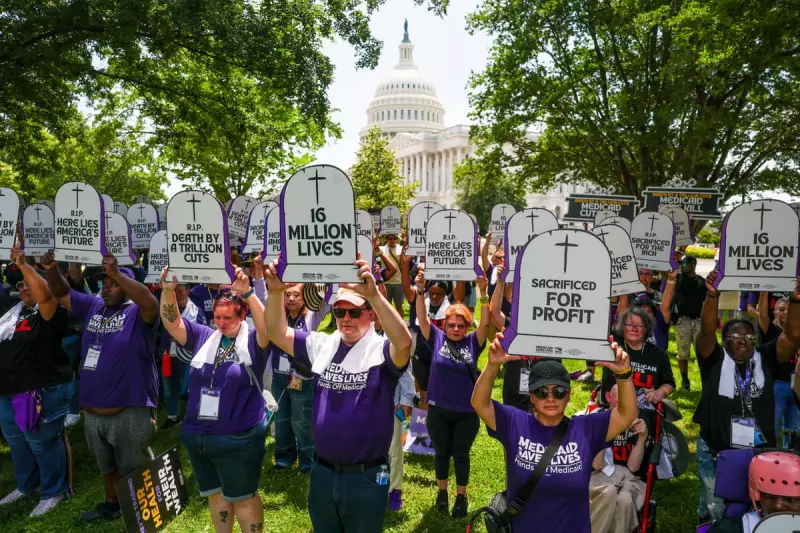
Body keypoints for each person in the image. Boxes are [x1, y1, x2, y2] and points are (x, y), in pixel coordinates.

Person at [265, 257, 411, 533]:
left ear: (370, 314)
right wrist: (274, 293)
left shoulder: (380, 351)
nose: (347, 319)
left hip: (365, 477)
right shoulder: (323, 344)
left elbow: (404, 344)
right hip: (322, 473)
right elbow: (276, 332)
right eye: (340, 312)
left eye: (355, 312)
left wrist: (375, 295)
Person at [472, 334, 638, 533]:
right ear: (531, 397)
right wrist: (492, 365)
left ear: (569, 395)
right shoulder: (515, 423)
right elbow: (479, 403)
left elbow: (626, 414)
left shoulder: (585, 429)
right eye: (542, 392)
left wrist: (624, 375)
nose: (551, 398)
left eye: (559, 391)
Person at [43, 252, 160, 523]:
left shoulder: (138, 312)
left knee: (135, 464)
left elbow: (150, 301)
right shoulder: (94, 306)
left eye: (113, 284)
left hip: (130, 406)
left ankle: (146, 509)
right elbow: (61, 292)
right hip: (94, 410)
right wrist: (50, 269)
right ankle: (112, 504)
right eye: (104, 283)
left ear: (127, 286)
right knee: (108, 466)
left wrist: (118, 273)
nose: (106, 288)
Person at [159, 265, 268, 533]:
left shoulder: (254, 341)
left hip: (237, 437)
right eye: (217, 317)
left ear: (242, 316)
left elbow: (270, 328)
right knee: (215, 494)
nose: (221, 323)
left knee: (243, 496)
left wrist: (251, 293)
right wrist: (167, 292)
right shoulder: (205, 337)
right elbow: (173, 323)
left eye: (228, 318)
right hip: (200, 436)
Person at [693, 271, 800, 522]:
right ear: (724, 340)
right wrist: (712, 295)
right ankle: (706, 520)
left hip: (757, 454)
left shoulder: (766, 359)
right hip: (715, 450)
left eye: (749, 337)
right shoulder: (714, 358)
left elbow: (793, 336)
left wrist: (796, 301)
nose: (743, 341)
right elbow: (706, 331)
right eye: (735, 337)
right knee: (716, 508)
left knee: (755, 508)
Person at [0, 247, 75, 517]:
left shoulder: (48, 310)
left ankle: (53, 490)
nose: (23, 288)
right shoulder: (12, 314)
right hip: (8, 389)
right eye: (19, 284)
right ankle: (26, 485)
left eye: (27, 283)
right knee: (17, 440)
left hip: (40, 387)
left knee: (41, 441)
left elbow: (44, 293)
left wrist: (24, 265)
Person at [415, 267, 489, 518]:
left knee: (461, 455)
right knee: (441, 453)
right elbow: (422, 318)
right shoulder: (435, 338)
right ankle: (442, 492)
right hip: (438, 410)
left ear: (468, 327)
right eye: (451, 324)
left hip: (466, 413)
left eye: (461, 325)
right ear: (444, 325)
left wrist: (484, 294)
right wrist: (419, 290)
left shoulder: (473, 343)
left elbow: (486, 322)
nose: (456, 329)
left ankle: (461, 495)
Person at [269, 279, 329, 474]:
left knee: (301, 421)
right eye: (287, 295)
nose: (291, 298)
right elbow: (264, 298)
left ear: (305, 298)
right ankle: (284, 458)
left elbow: (327, 300)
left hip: (302, 378)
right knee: (281, 418)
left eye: (296, 294)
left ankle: (308, 462)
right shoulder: (278, 317)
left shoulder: (312, 316)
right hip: (279, 376)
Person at [371, 307, 416, 512]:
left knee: (394, 450)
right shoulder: (358, 340)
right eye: (375, 316)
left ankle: (394, 490)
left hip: (391, 404)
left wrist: (406, 400)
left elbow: (407, 374)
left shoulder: (396, 342)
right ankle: (372, 488)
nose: (378, 320)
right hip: (365, 405)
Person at [589, 384, 649, 533]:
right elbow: (597, 465)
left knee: (625, 500)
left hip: (630, 478)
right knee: (608, 493)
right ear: (609, 398)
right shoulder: (597, 418)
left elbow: (633, 467)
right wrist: (603, 430)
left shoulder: (638, 422)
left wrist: (642, 438)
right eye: (621, 401)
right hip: (599, 475)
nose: (625, 406)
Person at [707, 451, 800, 533]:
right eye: (769, 496)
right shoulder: (727, 529)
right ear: (756, 495)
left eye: (791, 499)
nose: (777, 505)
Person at [601, 306, 675, 404]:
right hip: (615, 407)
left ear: (646, 329)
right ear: (622, 327)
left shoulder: (659, 355)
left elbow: (669, 383)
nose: (634, 329)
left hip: (647, 407)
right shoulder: (614, 350)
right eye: (629, 325)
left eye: (639, 325)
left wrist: (660, 392)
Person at [158, 281, 205, 429]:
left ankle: (190, 416)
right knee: (169, 387)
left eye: (180, 291)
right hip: (168, 355)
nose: (177, 294)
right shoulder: (165, 309)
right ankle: (172, 417)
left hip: (188, 356)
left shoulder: (196, 311)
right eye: (174, 291)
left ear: (187, 291)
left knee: (188, 388)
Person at [756, 294, 799, 448]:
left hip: (796, 388)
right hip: (776, 386)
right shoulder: (770, 330)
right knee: (770, 427)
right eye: (781, 309)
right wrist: (763, 290)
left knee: (794, 430)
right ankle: (766, 458)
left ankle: (792, 461)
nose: (785, 312)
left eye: (789, 310)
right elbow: (761, 313)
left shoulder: (798, 333)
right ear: (775, 313)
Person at [616, 267, 677, 351]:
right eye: (641, 273)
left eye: (648, 273)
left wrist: (671, 278)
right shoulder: (628, 295)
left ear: (652, 276)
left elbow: (665, 307)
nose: (644, 276)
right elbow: (622, 309)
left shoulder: (659, 296)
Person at [673, 255, 708, 391]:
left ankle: (705, 380)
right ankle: (685, 381)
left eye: (684, 263)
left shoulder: (701, 282)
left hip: (698, 320)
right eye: (681, 264)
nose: (682, 266)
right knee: (682, 353)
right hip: (683, 321)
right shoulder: (679, 279)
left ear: (693, 264)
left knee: (702, 352)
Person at [381, 234, 405, 316]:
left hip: (398, 282)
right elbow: (374, 248)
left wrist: (406, 242)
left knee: (399, 306)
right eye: (390, 238)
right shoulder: (382, 249)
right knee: (386, 307)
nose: (392, 240)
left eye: (394, 238)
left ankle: (400, 326)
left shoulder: (401, 249)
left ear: (397, 239)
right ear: (386, 239)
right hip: (386, 283)